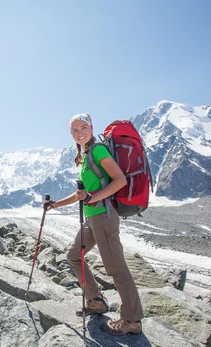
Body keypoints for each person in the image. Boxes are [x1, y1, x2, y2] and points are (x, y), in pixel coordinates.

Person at [45, 113, 144, 335]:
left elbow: (120, 180)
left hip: (104, 215)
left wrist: (92, 198)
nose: (80, 133)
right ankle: (96, 300)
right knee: (73, 256)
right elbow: (83, 194)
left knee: (116, 268)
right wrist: (56, 205)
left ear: (91, 128)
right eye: (75, 131)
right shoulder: (86, 155)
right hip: (92, 216)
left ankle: (132, 320)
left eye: (83, 128)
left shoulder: (98, 150)